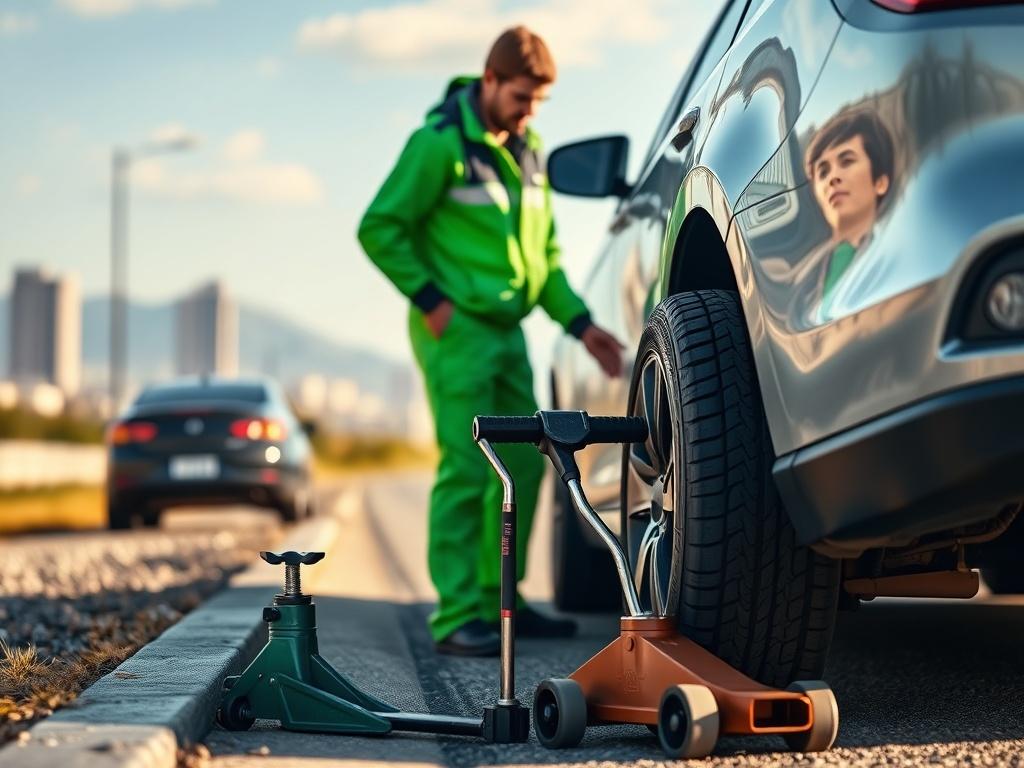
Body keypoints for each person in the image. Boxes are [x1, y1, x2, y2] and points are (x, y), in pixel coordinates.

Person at [358, 26, 623, 656]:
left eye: (539, 101)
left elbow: (546, 260)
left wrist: (581, 324)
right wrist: (433, 301)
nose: (530, 110)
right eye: (521, 97)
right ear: (490, 80)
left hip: (509, 335)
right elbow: (379, 226)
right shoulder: (438, 145)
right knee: (466, 465)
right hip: (456, 333)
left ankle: (503, 599)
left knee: (529, 465)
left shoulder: (530, 154)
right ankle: (456, 616)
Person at [803, 109, 895, 318]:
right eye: (823, 172)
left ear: (880, 182)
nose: (833, 177)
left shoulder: (896, 254)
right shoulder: (804, 282)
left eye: (847, 161)